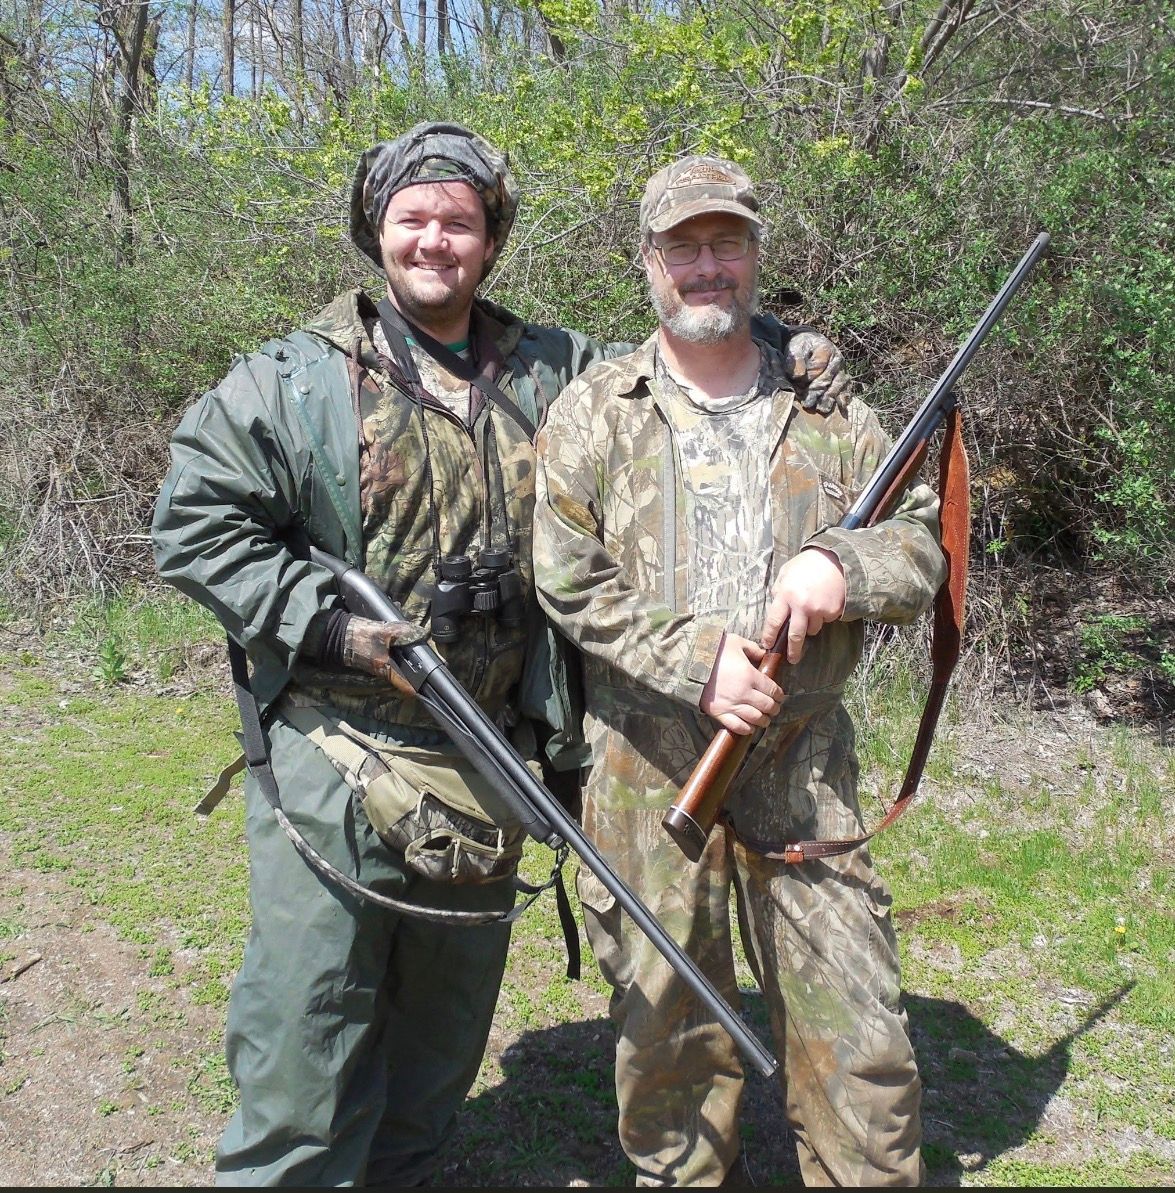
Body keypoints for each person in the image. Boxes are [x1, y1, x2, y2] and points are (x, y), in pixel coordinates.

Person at [151, 124, 848, 1187]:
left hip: (494, 760)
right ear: (376, 233)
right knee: (307, 1034)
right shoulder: (288, 382)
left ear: (491, 239)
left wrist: (784, 345)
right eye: (413, 219)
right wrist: (331, 625)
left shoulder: (552, 367)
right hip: (339, 744)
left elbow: (677, 356)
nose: (436, 240)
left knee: (437, 1049)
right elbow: (195, 527)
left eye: (460, 221)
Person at [533, 154, 948, 1187]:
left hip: (804, 770)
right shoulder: (596, 410)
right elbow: (562, 573)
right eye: (685, 247)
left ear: (757, 255)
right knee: (667, 1044)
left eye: (727, 243)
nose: (706, 266)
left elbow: (924, 541)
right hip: (644, 772)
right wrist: (697, 660)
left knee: (862, 1047)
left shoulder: (833, 410)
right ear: (648, 263)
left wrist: (838, 564)